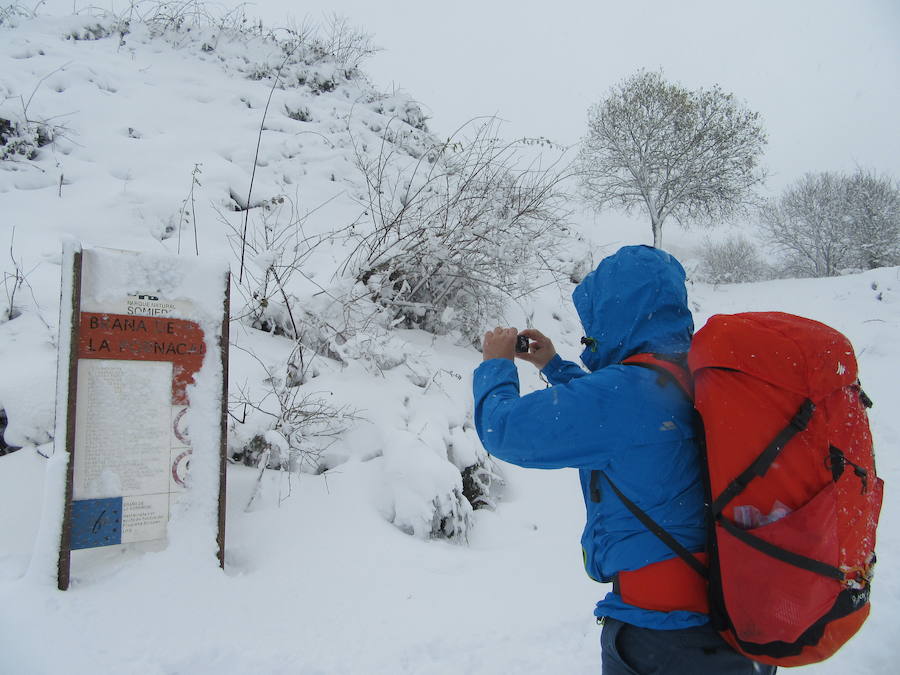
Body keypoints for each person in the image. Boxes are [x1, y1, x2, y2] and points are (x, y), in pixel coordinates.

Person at [472, 245, 776, 674]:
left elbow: (502, 430)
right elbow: (623, 413)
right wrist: (556, 366)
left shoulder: (626, 394)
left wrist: (495, 366)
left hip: (664, 639)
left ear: (616, 313)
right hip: (735, 622)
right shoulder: (697, 378)